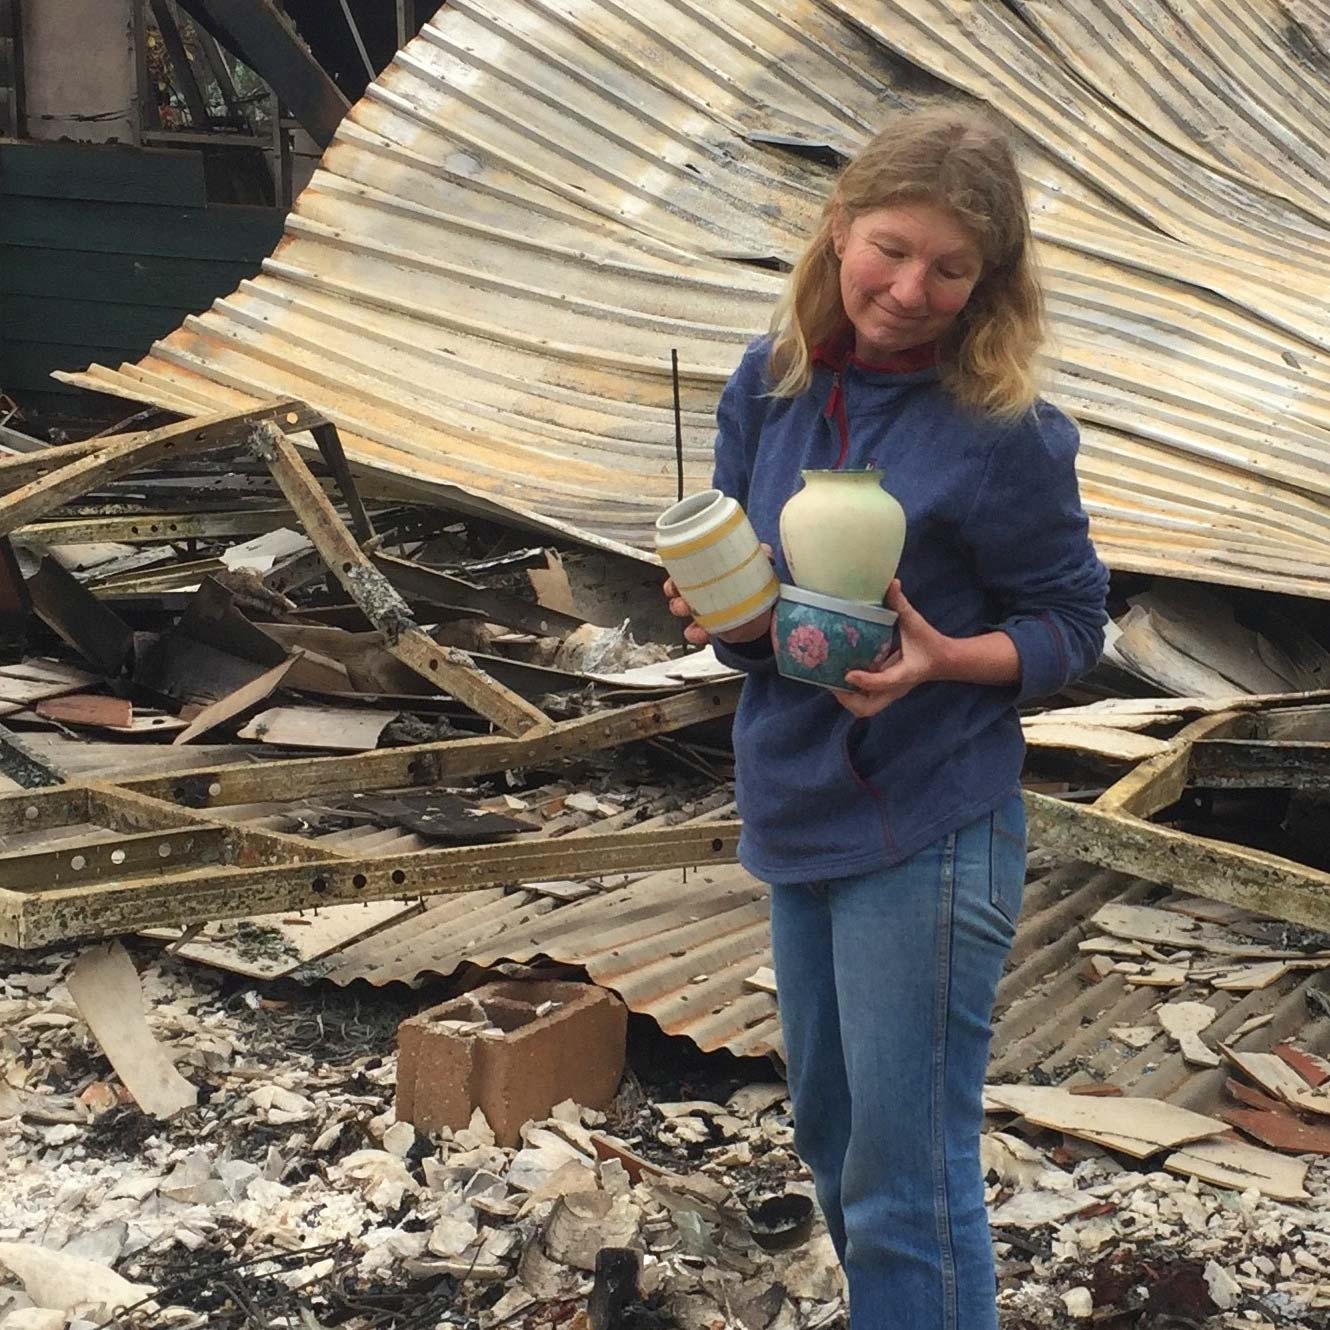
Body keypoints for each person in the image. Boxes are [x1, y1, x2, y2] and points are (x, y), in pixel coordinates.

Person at [663, 108, 1109, 1330]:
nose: (911, 290)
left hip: (929, 821)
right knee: (832, 1134)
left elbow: (1075, 621)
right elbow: (763, 624)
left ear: (989, 285)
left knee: (903, 1177)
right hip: (794, 799)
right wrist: (725, 606)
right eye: (890, 250)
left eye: (951, 268)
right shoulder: (771, 384)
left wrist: (945, 658)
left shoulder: (1005, 431)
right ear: (837, 230)